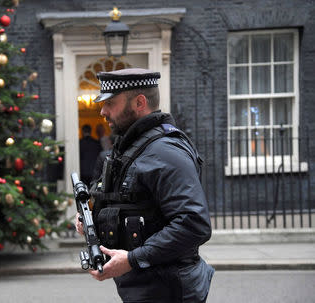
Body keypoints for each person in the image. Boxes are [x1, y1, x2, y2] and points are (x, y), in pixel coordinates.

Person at [75, 68, 214, 303]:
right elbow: (131, 204)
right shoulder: (132, 147)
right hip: (147, 288)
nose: (102, 111)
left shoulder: (165, 152)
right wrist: (90, 220)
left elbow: (194, 224)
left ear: (139, 102)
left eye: (110, 103)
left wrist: (132, 259)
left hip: (168, 290)